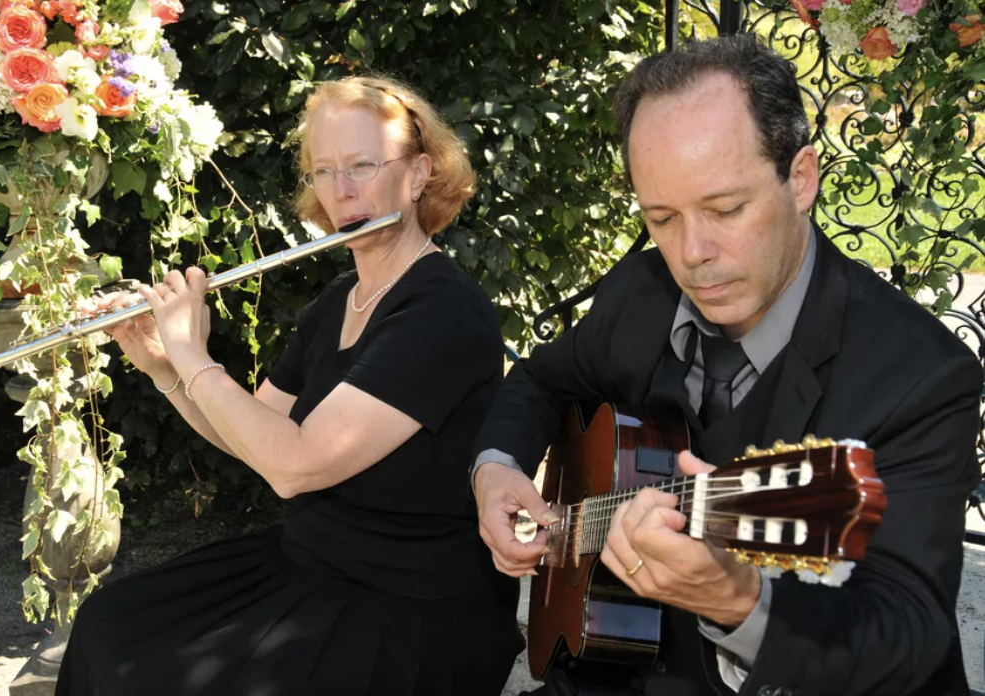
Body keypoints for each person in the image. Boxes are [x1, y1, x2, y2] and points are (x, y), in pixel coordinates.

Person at [472, 34, 981, 696]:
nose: (692, 253)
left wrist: (741, 600)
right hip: (611, 668)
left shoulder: (919, 375)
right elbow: (540, 381)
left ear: (801, 178)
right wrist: (496, 469)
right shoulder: (640, 295)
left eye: (726, 209)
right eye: (662, 218)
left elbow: (905, 634)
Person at [56, 75, 524, 696]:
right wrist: (164, 367)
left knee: (163, 678)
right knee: (108, 626)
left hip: (409, 604)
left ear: (417, 175)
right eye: (324, 171)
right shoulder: (341, 298)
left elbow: (293, 467)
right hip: (314, 560)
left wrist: (193, 354)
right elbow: (254, 436)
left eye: (362, 165)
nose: (342, 190)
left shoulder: (442, 311)